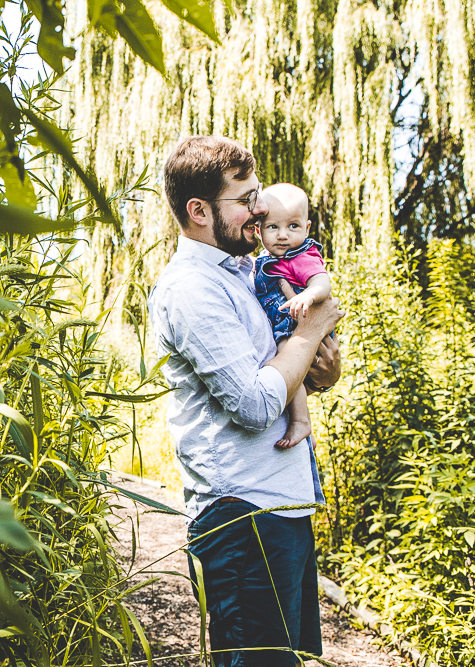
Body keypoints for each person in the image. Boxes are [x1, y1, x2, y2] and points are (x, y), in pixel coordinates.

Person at [147, 136, 344, 667]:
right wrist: (313, 331)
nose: (261, 209)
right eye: (246, 198)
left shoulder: (242, 275)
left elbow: (290, 371)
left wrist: (322, 364)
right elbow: (256, 404)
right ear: (200, 211)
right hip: (242, 516)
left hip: (282, 509)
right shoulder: (191, 289)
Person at [255, 183, 334, 450]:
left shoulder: (301, 256)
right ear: (259, 230)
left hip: (299, 320)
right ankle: (301, 422)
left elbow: (323, 284)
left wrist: (308, 296)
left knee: (285, 360)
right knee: (286, 365)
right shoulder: (262, 261)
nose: (283, 236)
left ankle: (301, 421)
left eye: (293, 226)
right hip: (288, 325)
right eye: (273, 227)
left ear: (307, 228)